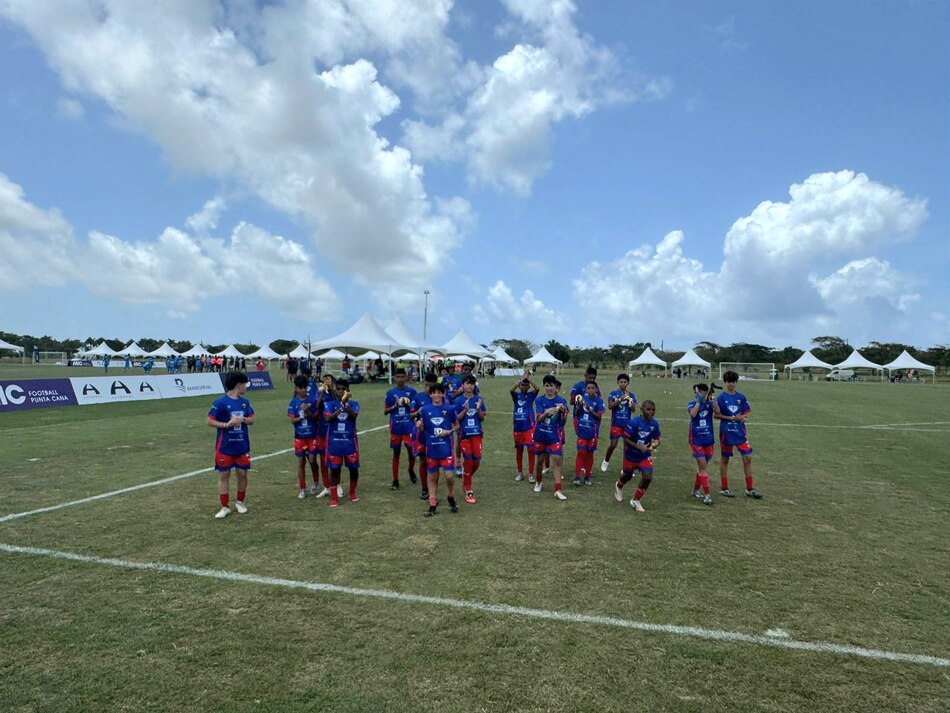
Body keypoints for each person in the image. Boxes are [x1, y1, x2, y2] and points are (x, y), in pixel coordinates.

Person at [207, 371, 255, 519]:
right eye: (244, 384)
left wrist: (243, 419)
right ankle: (224, 506)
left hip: (241, 446)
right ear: (238, 385)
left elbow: (252, 419)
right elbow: (209, 420)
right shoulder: (220, 402)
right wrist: (226, 424)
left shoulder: (244, 402)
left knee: (242, 474)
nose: (246, 387)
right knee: (224, 474)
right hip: (224, 446)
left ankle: (240, 502)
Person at [714, 371, 762, 499]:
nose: (731, 384)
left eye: (733, 381)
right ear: (725, 382)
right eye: (729, 381)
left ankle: (750, 488)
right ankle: (724, 488)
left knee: (747, 458)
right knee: (725, 459)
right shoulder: (721, 398)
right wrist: (731, 418)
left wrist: (743, 418)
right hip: (726, 432)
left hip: (740, 432)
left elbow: (744, 414)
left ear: (736, 382)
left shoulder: (741, 397)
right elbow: (716, 415)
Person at [416, 382, 459, 516]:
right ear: (430, 394)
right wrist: (419, 426)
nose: (436, 395)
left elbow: (457, 425)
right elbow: (423, 430)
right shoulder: (424, 410)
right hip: (431, 448)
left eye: (439, 392)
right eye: (434, 392)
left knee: (449, 476)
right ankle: (432, 504)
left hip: (445, 448)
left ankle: (450, 495)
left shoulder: (449, 409)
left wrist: (449, 431)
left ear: (443, 394)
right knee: (432, 476)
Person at [614, 400, 661, 513]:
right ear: (642, 410)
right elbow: (625, 439)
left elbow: (657, 437)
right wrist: (638, 447)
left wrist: (655, 444)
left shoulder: (654, 424)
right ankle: (619, 486)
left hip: (644, 456)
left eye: (653, 410)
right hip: (631, 455)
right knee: (627, 477)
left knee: (647, 477)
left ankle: (636, 500)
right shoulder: (634, 422)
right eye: (648, 409)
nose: (651, 412)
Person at [322, 378, 361, 507]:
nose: (340, 391)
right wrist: (340, 409)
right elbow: (327, 418)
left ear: (348, 391)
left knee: (353, 469)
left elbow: (354, 416)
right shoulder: (330, 404)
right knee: (334, 470)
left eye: (343, 389)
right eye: (338, 389)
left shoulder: (354, 404)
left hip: (350, 441)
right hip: (334, 442)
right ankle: (334, 498)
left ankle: (352, 493)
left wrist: (346, 405)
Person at [531, 375, 570, 500]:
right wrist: (547, 412)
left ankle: (558, 489)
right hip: (541, 434)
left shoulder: (561, 401)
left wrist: (563, 413)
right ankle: (538, 481)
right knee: (540, 461)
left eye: (551, 385)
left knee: (557, 460)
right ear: (544, 387)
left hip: (554, 435)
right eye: (546, 386)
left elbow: (563, 422)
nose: (549, 388)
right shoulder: (539, 400)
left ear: (555, 387)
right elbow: (539, 419)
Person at [454, 375, 487, 504]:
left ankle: (465, 478)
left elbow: (482, 418)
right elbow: (456, 418)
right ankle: (468, 489)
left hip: (477, 434)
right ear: (463, 385)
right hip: (464, 435)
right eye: (467, 383)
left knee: (476, 461)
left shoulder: (479, 399)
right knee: (468, 459)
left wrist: (478, 409)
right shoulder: (458, 401)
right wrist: (465, 410)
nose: (470, 386)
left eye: (472, 384)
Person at [384, 368, 418, 490]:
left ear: (406, 378)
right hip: (396, 428)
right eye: (397, 376)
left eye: (402, 376)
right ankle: (395, 480)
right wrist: (395, 405)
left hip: (409, 427)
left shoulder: (412, 392)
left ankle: (411, 470)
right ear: (394, 378)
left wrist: (409, 405)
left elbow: (417, 409)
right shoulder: (390, 393)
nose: (400, 379)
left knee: (411, 451)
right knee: (396, 453)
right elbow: (385, 411)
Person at [288, 375, 320, 498]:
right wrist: (301, 416)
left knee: (312, 460)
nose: (302, 390)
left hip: (312, 435)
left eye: (304, 387)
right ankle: (302, 488)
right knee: (301, 462)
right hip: (300, 437)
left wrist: (308, 412)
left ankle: (315, 482)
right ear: (296, 388)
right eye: (300, 388)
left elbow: (316, 418)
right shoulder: (293, 402)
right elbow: (292, 420)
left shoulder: (312, 400)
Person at [410, 372, 439, 501]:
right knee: (423, 461)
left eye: (431, 386)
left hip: (436, 436)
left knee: (435, 463)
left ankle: (433, 489)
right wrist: (417, 413)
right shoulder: (417, 397)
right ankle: (424, 488)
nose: (428, 389)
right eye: (427, 385)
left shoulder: (439, 397)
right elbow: (411, 415)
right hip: (422, 435)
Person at [601, 374, 637, 473]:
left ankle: (626, 468)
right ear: (617, 383)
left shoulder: (631, 395)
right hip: (616, 423)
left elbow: (634, 410)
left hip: (627, 424)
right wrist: (620, 399)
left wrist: (630, 402)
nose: (623, 384)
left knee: (627, 447)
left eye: (625, 382)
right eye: (621, 382)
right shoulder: (613, 393)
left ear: (628, 383)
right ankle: (606, 461)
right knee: (613, 445)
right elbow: (610, 406)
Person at [687, 384, 715, 505]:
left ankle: (695, 490)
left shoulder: (709, 404)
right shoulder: (692, 404)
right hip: (696, 440)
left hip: (708, 440)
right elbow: (693, 414)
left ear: (705, 392)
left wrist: (713, 402)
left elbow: (718, 412)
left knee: (702, 467)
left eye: (698, 392)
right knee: (702, 466)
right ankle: (707, 495)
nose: (696, 394)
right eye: (695, 392)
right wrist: (698, 401)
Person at [573, 381, 605, 486]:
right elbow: (576, 414)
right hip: (582, 430)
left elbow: (598, 417)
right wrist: (579, 406)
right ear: (586, 389)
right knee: (581, 452)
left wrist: (589, 409)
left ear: (596, 390)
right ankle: (577, 477)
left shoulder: (599, 401)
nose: (590, 390)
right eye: (588, 388)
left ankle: (587, 476)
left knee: (589, 454)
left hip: (592, 432)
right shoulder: (582, 399)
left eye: (592, 388)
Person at [510, 372, 539, 481]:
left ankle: (531, 474)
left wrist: (528, 379)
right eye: (522, 385)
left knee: (531, 449)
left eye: (526, 385)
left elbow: (537, 388)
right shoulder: (516, 395)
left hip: (529, 427)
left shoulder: (531, 395)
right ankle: (520, 472)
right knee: (519, 450)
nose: (524, 387)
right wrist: (520, 380)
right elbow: (511, 390)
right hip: (517, 427)